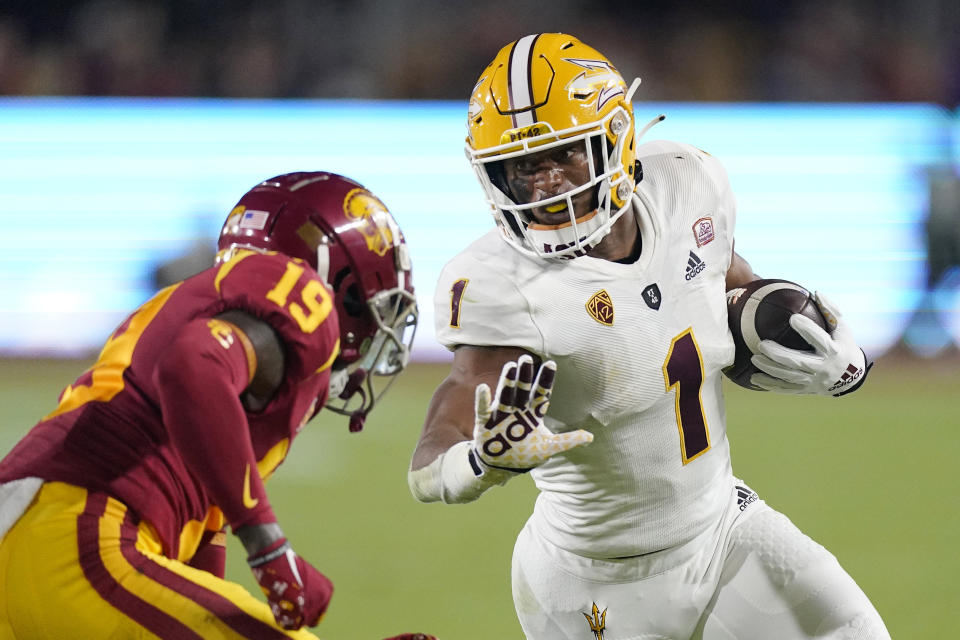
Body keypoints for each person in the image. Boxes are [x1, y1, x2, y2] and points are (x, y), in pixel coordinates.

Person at [408, 33, 890, 639]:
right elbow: (431, 455)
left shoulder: (685, 184)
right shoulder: (501, 283)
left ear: (616, 138)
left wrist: (832, 358)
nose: (545, 186)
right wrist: (478, 461)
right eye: (524, 166)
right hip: (590, 582)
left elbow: (735, 296)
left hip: (723, 531)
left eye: (565, 155)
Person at [0, 171, 429, 639]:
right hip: (75, 532)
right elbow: (192, 366)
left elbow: (198, 549)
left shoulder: (204, 316)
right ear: (333, 278)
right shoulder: (295, 292)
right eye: (370, 303)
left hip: (40, 533)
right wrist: (269, 546)